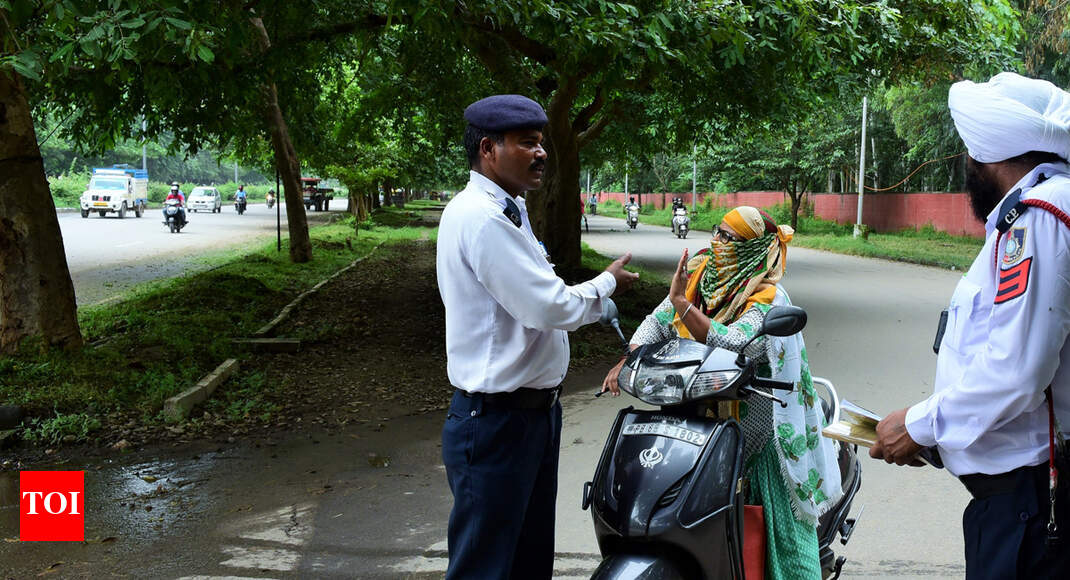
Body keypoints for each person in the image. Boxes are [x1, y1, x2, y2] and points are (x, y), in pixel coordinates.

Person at [870, 72, 1070, 578]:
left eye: (970, 155)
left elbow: (1016, 372)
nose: (967, 167)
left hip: (1027, 509)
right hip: (1016, 504)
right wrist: (938, 437)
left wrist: (919, 425)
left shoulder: (1038, 217)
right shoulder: (1031, 213)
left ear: (989, 156)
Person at [437, 94, 638, 579]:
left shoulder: (510, 209)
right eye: (528, 143)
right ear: (488, 148)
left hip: (529, 419)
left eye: (542, 143)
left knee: (526, 563)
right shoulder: (482, 218)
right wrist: (606, 283)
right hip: (496, 423)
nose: (542, 153)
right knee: (485, 567)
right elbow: (548, 306)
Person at [601, 206, 842, 579]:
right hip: (695, 427)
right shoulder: (701, 276)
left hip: (758, 437)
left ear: (750, 248)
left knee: (788, 547)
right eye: (717, 232)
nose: (717, 242)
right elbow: (657, 321)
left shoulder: (769, 298)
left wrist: (683, 306)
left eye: (729, 238)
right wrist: (630, 358)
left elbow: (736, 343)